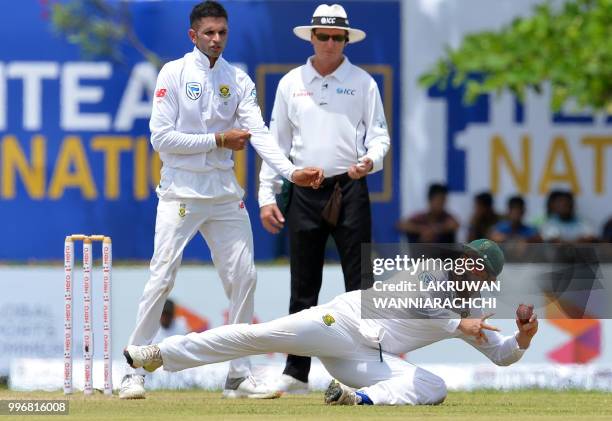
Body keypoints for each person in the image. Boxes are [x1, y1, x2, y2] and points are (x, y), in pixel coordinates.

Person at [119, 1, 324, 400]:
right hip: (180, 190)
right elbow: (161, 139)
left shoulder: (238, 79)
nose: (216, 40)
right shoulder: (174, 73)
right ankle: (135, 372)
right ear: (193, 35)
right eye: (209, 33)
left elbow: (260, 133)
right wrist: (218, 139)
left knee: (244, 277)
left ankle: (237, 374)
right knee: (162, 277)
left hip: (224, 191)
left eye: (222, 33)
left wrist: (292, 172)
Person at [124, 239, 539, 406]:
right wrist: (457, 325)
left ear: (487, 278)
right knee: (259, 335)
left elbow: (501, 356)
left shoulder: (472, 309)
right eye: (469, 260)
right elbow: (416, 301)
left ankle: (355, 401)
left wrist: (521, 338)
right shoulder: (432, 268)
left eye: (480, 269)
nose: (470, 269)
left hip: (363, 361)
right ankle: (159, 353)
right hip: (342, 322)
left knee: (435, 388)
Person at [257, 3, 391, 394]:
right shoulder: (291, 83)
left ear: (346, 40)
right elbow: (276, 144)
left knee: (361, 284)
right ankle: (296, 373)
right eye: (323, 36)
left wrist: (371, 160)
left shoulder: (363, 82)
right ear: (311, 38)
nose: (330, 43)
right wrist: (267, 196)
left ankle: (371, 368)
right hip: (304, 188)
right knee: (303, 286)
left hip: (348, 187)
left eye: (337, 37)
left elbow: (379, 135)